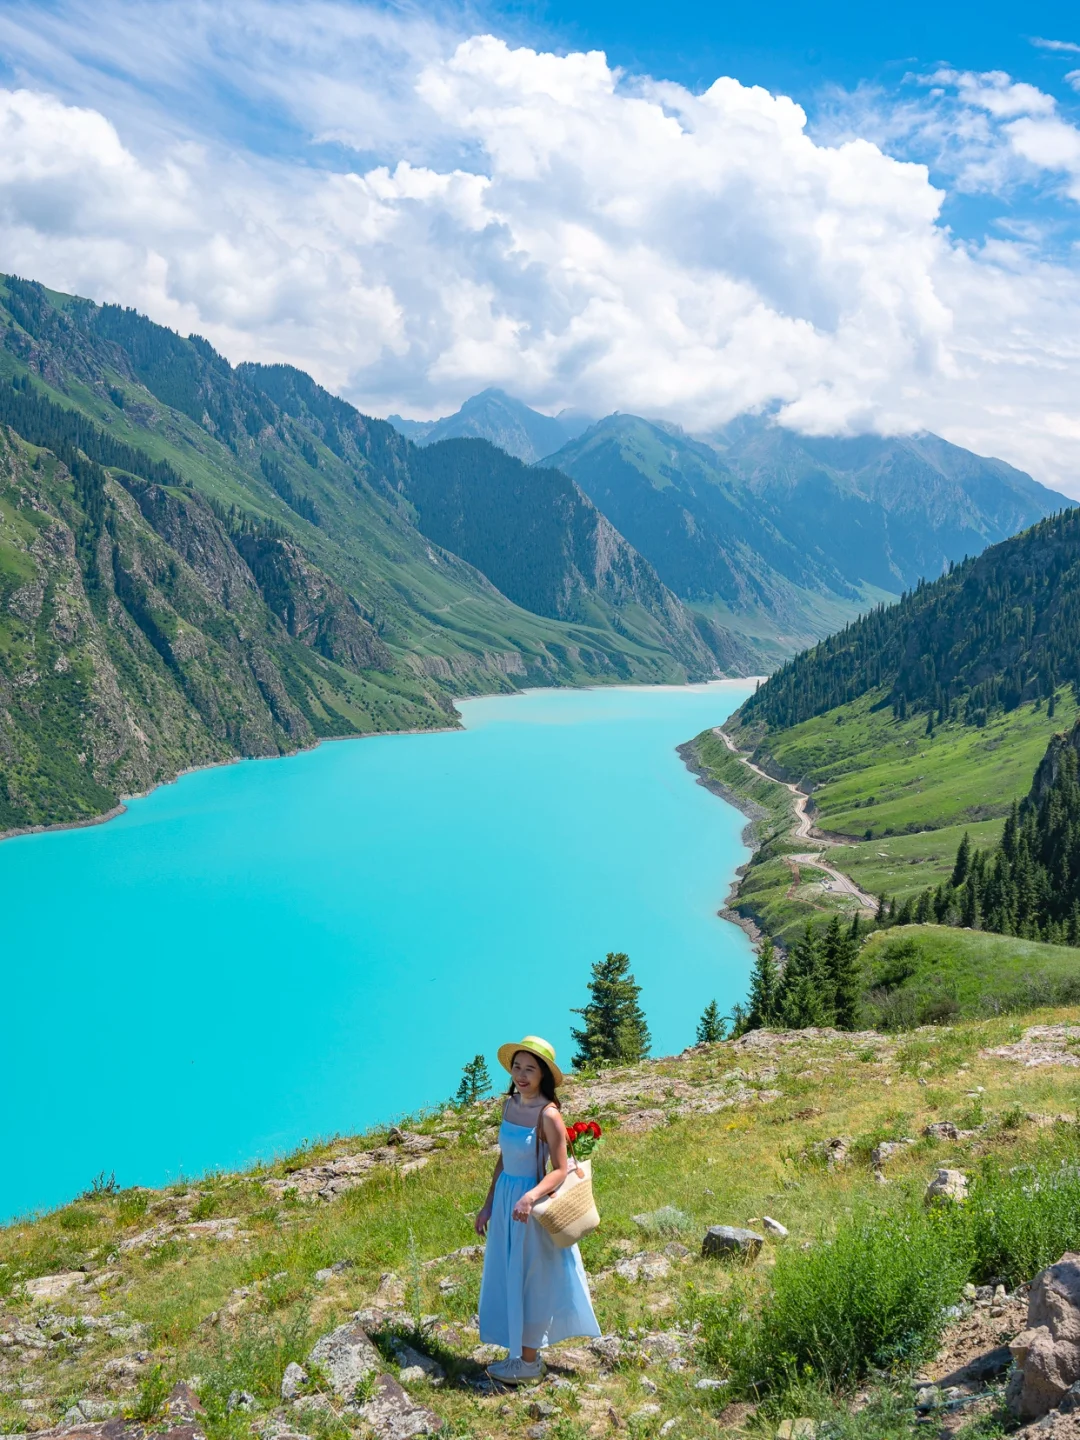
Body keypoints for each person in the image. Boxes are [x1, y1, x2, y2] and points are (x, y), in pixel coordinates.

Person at [475, 1034, 600, 1383]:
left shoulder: (549, 1115)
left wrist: (530, 1197)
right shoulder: (509, 1106)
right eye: (517, 1067)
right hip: (505, 1201)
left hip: (531, 1204)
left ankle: (528, 1362)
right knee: (507, 1272)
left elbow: (560, 1169)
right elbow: (503, 1160)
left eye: (530, 1069)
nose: (521, 1075)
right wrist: (487, 1206)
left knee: (531, 1278)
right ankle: (518, 1351)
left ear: (543, 1074)